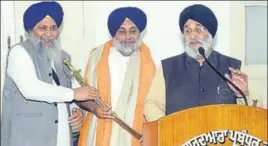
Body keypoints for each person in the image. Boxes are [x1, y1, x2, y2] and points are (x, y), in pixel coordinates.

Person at [1, 2, 99, 146]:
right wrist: (74, 94)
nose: (49, 33)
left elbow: (61, 94)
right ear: (30, 29)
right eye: (42, 28)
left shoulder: (64, 57)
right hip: (27, 139)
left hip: (61, 137)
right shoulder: (19, 52)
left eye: (53, 28)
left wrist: (75, 111)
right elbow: (31, 89)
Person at [144, 4, 259, 122]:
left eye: (198, 29)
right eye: (187, 30)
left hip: (224, 139)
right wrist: (168, 130)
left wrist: (242, 94)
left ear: (210, 33)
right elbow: (152, 105)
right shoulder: (167, 68)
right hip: (178, 139)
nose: (192, 35)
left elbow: (254, 114)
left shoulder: (234, 68)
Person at [77, 6, 156, 146]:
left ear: (140, 33)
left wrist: (153, 134)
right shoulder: (96, 57)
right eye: (122, 31)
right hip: (99, 135)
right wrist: (95, 109)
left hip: (135, 136)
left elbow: (156, 105)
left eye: (133, 31)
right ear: (114, 33)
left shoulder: (151, 61)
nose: (128, 37)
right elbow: (81, 96)